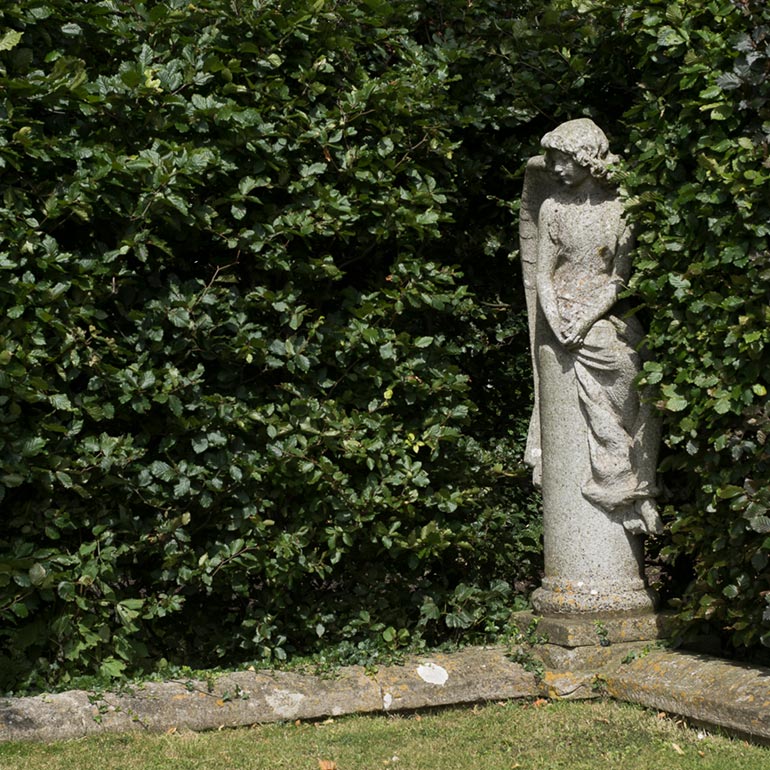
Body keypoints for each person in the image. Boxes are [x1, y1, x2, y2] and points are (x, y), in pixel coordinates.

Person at [532, 118, 661, 535]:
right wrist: (556, 322)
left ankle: (633, 487)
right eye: (551, 160)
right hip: (562, 320)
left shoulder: (620, 209)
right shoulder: (552, 209)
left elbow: (617, 280)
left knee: (637, 379)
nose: (555, 169)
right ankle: (624, 490)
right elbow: (543, 277)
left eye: (564, 160)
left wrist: (587, 318)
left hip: (601, 316)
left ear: (588, 158)